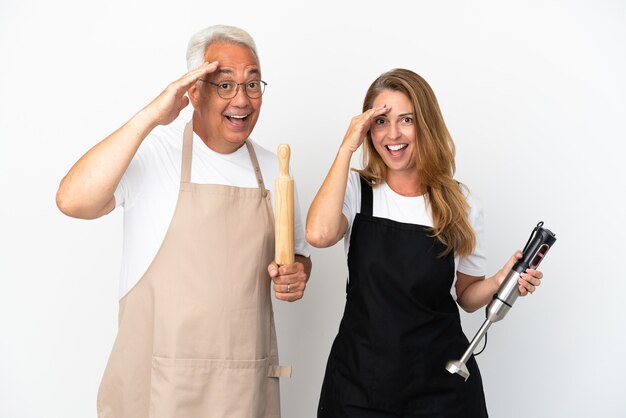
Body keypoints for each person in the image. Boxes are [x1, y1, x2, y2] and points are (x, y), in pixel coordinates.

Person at [56, 25, 311, 418]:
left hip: (243, 393)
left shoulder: (275, 173)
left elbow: (295, 257)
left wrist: (298, 274)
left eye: (253, 84)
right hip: (157, 394)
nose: (242, 100)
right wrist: (151, 116)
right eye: (224, 85)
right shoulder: (154, 154)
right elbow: (72, 200)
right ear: (193, 91)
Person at [306, 68, 543, 417]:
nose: (393, 134)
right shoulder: (357, 192)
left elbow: (467, 297)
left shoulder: (460, 202)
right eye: (381, 122)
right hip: (360, 385)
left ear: (426, 124)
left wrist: (500, 280)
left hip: (441, 387)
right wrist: (346, 148)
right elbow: (319, 234)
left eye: (406, 120)